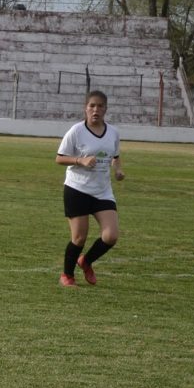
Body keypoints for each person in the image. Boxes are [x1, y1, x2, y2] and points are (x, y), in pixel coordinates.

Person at [56, 90, 125, 287]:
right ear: (85, 108)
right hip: (77, 189)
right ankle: (67, 275)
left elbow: (115, 155)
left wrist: (118, 170)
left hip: (102, 191)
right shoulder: (76, 131)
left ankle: (86, 261)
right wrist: (80, 160)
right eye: (92, 106)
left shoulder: (113, 132)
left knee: (111, 236)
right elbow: (59, 158)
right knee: (79, 238)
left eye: (100, 106)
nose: (96, 110)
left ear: (106, 109)